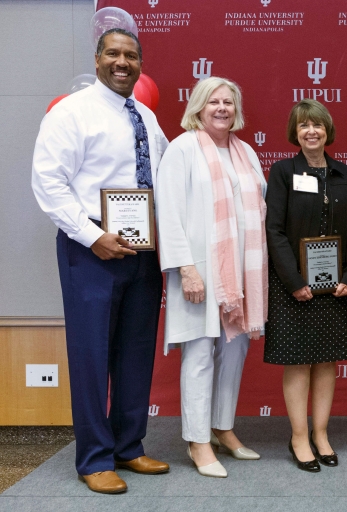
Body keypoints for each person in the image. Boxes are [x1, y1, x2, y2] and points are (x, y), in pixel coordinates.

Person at [31, 28, 169, 493]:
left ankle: (129, 447)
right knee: (91, 355)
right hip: (91, 247)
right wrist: (93, 237)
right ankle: (93, 458)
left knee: (135, 351)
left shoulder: (147, 118)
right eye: (113, 53)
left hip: (143, 249)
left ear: (140, 63)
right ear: (97, 60)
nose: (122, 62)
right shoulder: (71, 113)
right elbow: (49, 183)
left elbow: (164, 182)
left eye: (131, 55)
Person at [155, 77, 267, 478]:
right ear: (198, 107)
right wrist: (186, 269)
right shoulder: (183, 148)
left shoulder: (246, 152)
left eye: (229, 103)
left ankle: (223, 428)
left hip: (240, 275)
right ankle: (198, 441)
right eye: (213, 102)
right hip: (199, 271)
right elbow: (167, 212)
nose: (222, 108)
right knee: (200, 354)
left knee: (234, 351)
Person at [264, 99, 347, 473]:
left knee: (326, 362)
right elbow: (274, 230)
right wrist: (294, 281)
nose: (311, 131)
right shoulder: (284, 171)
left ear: (327, 129)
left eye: (317, 125)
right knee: (299, 363)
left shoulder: (342, 173)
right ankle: (299, 436)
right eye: (304, 125)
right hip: (295, 285)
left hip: (333, 285)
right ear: (295, 132)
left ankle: (321, 434)